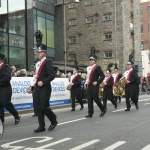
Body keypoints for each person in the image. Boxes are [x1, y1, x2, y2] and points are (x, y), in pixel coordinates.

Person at [32, 44, 58, 133]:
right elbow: (36, 76)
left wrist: (43, 82)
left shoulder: (48, 62)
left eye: (39, 52)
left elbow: (52, 75)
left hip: (45, 87)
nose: (38, 53)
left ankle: (53, 119)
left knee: (44, 106)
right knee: (38, 107)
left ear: (44, 53)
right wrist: (33, 84)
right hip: (38, 88)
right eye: (37, 52)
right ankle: (41, 126)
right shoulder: (38, 63)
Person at [0, 53, 20, 124]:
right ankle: (1, 120)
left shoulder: (5, 67)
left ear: (1, 60)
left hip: (5, 89)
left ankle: (16, 115)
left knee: (6, 103)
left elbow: (7, 78)